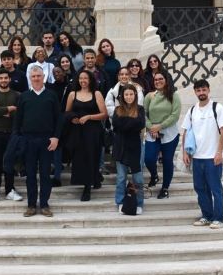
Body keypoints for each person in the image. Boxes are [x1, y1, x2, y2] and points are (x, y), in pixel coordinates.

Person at [13, 63, 62, 217]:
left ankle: (45, 204)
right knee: (31, 174)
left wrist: (56, 137)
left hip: (47, 140)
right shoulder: (24, 97)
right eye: (33, 76)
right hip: (28, 140)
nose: (36, 78)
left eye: (38, 76)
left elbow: (59, 119)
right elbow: (17, 120)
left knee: (46, 174)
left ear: (43, 77)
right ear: (30, 78)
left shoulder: (51, 95)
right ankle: (31, 205)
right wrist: (18, 138)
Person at [181, 78, 223, 229]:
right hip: (197, 157)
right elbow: (186, 132)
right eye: (198, 90)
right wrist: (184, 153)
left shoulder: (217, 108)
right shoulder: (192, 110)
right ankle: (206, 216)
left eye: (204, 90)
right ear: (195, 92)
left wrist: (219, 152)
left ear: (208, 90)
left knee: (215, 188)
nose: (201, 93)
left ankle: (219, 218)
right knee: (200, 188)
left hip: (212, 157)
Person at [65, 69, 107, 201]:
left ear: (90, 80)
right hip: (77, 131)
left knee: (91, 156)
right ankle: (94, 178)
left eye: (86, 78)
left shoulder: (97, 93)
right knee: (79, 158)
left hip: (93, 131)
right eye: (81, 78)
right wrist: (72, 118)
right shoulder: (72, 94)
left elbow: (104, 114)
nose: (83, 81)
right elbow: (67, 112)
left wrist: (89, 117)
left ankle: (87, 188)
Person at [144, 70, 182, 199]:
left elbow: (175, 115)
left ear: (166, 80)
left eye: (161, 79)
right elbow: (143, 114)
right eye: (155, 80)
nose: (158, 81)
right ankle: (154, 175)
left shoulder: (174, 95)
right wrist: (151, 127)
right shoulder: (150, 96)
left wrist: (159, 126)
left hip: (169, 133)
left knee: (167, 161)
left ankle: (165, 187)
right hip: (152, 132)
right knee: (148, 159)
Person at [0, 69, 22, 203]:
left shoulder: (18, 95)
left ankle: (10, 190)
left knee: (10, 163)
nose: (3, 80)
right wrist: (10, 109)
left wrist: (2, 111)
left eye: (6, 78)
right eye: (1, 78)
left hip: (12, 133)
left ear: (9, 79)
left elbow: (19, 113)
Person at [112, 85, 146, 215]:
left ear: (135, 95)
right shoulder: (117, 109)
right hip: (120, 147)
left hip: (135, 147)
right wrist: (131, 123)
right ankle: (120, 202)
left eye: (131, 94)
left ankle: (139, 203)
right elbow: (116, 124)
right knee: (121, 177)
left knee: (138, 178)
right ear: (122, 96)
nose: (129, 97)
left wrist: (124, 123)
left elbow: (140, 123)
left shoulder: (140, 109)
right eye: (126, 94)